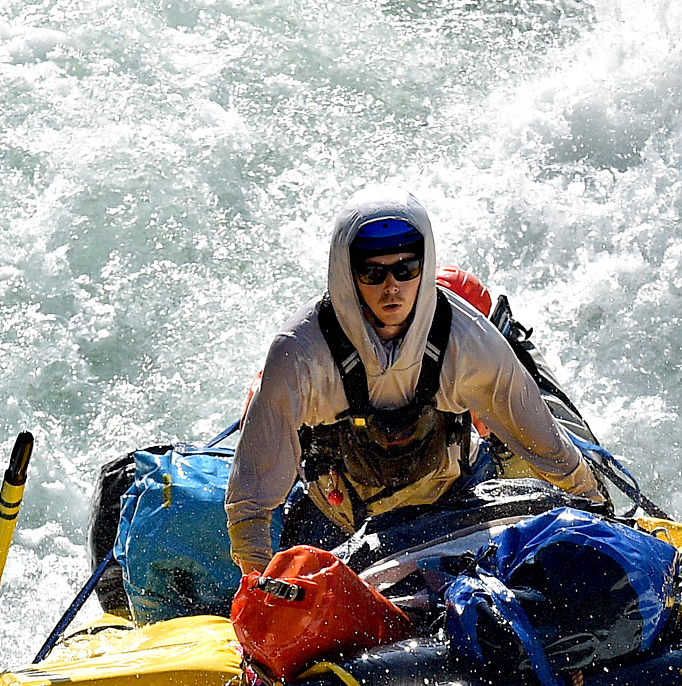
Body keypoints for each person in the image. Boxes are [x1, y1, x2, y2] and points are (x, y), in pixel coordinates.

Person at [224, 188, 604, 574]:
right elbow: (252, 498)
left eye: (406, 269)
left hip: (455, 506)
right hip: (336, 524)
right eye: (373, 272)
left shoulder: (467, 339)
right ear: (347, 274)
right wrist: (255, 580)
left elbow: (547, 448)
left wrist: (597, 510)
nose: (392, 287)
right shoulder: (300, 354)